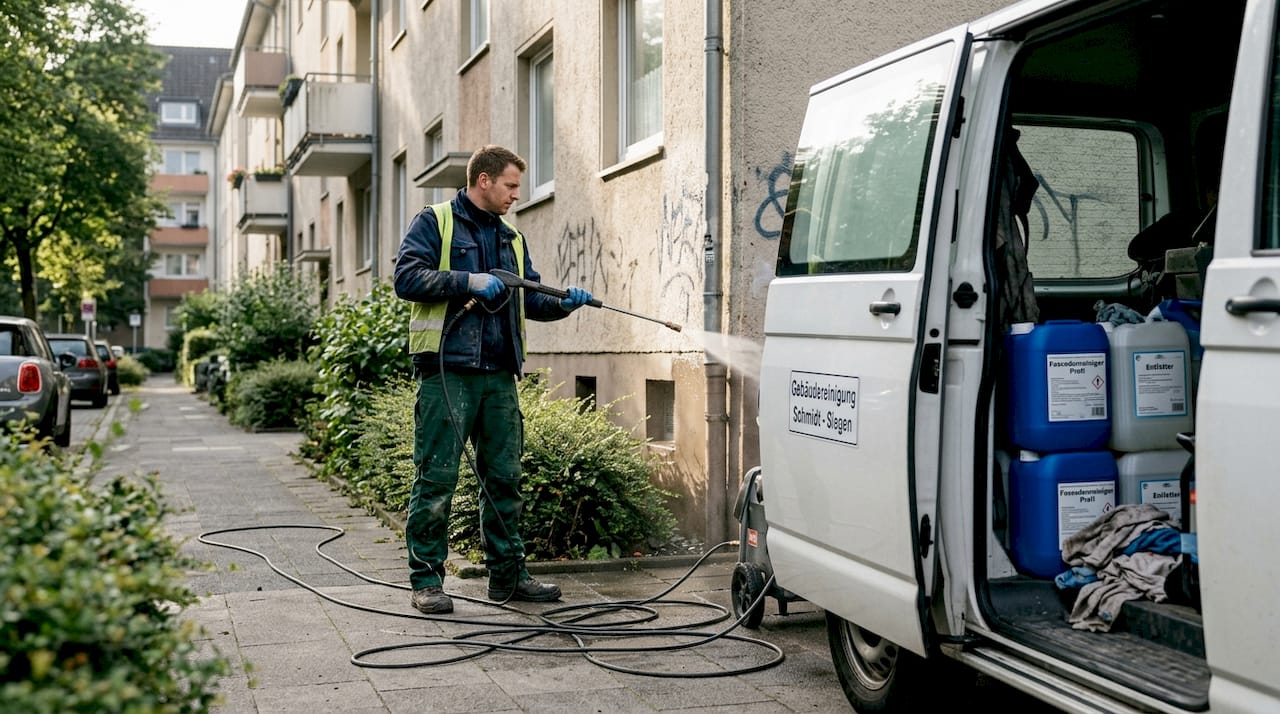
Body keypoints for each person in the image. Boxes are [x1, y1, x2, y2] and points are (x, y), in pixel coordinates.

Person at [393, 145, 593, 614]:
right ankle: (427, 582)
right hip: (449, 372)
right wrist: (468, 281)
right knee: (437, 478)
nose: (516, 196)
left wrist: (563, 302)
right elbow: (406, 278)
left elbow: (529, 300)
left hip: (499, 375)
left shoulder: (511, 238)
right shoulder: (436, 222)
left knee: (504, 479)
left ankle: (507, 578)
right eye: (510, 186)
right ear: (484, 181)